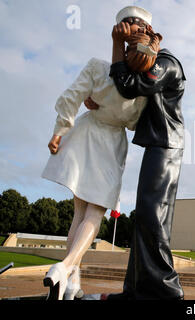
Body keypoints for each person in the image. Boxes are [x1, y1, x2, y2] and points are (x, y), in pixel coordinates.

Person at [41, 14, 158, 300]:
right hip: (110, 142)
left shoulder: (97, 67)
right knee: (95, 212)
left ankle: (70, 286)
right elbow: (133, 124)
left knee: (79, 214)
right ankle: (65, 268)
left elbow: (71, 96)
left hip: (85, 133)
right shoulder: (142, 89)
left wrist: (59, 131)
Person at [95, 5, 187, 300]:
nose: (128, 31)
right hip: (156, 144)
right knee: (144, 221)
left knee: (152, 218)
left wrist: (116, 43)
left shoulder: (167, 62)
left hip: (166, 145)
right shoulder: (148, 61)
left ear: (149, 31)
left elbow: (128, 86)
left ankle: (167, 291)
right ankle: (135, 291)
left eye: (133, 26)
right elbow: (120, 96)